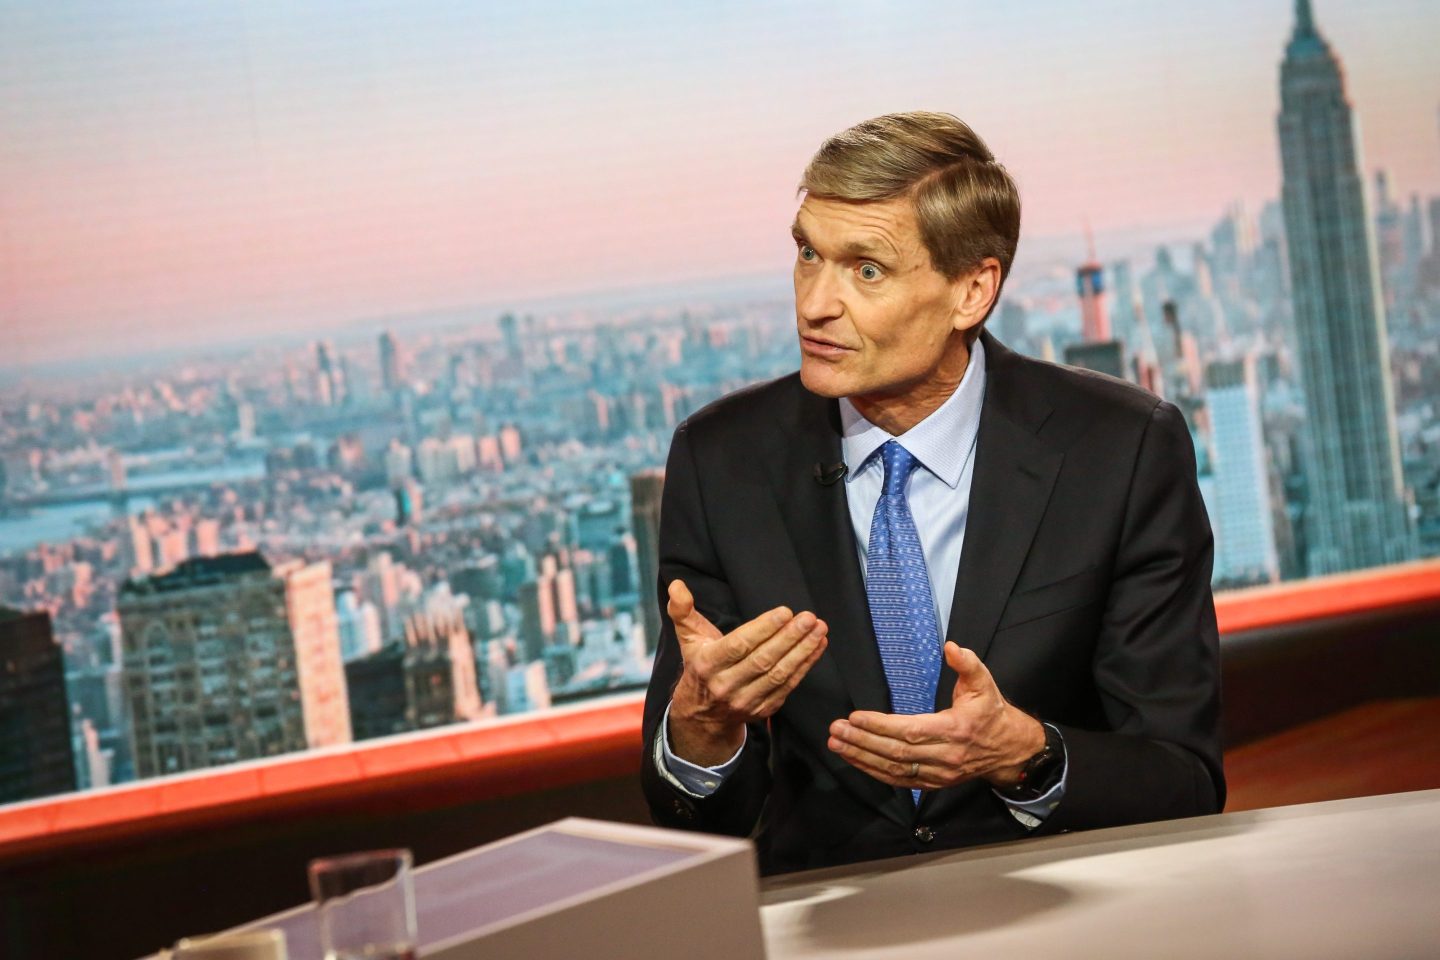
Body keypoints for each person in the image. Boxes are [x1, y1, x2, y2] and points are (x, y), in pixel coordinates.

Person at [640, 111, 1224, 875]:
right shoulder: (722, 460)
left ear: (972, 291)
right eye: (808, 254)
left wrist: (1029, 757)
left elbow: (1184, 778)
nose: (815, 304)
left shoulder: (1120, 449)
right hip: (835, 913)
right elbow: (698, 815)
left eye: (866, 270)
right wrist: (700, 732)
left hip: (1057, 901)